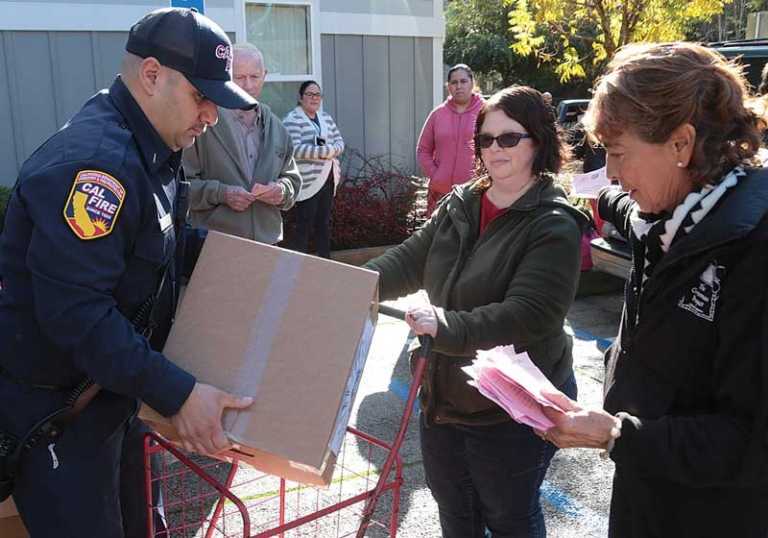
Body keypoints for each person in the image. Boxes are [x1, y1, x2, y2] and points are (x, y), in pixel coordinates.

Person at [0, 8, 255, 537]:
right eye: (201, 96)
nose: (211, 114)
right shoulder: (95, 165)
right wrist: (179, 394)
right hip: (60, 419)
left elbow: (160, 247)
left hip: (114, 396)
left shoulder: (155, 151)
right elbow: (76, 314)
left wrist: (255, 272)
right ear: (152, 75)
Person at [539, 42, 768, 537]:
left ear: (682, 144)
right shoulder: (668, 213)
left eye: (619, 154)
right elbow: (614, 200)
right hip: (649, 492)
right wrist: (581, 196)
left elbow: (748, 440)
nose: (615, 172)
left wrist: (619, 434)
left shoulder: (751, 248)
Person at [365, 86, 588, 537]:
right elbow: (409, 259)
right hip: (444, 398)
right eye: (486, 139)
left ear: (539, 142)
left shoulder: (554, 222)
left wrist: (445, 325)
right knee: (455, 512)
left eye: (509, 138)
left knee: (509, 518)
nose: (494, 149)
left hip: (510, 409)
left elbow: (529, 314)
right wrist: (353, 283)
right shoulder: (463, 201)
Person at [183, 43, 301, 246]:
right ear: (226, 77)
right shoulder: (202, 125)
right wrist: (222, 194)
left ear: (264, 75)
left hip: (268, 244)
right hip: (216, 244)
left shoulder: (278, 129)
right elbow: (180, 188)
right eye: (239, 77)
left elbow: (292, 180)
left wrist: (282, 191)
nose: (248, 85)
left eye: (254, 77)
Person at [283, 80, 345, 258]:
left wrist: (331, 150)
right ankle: (296, 266)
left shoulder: (325, 118)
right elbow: (294, 149)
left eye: (317, 94)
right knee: (304, 223)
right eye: (309, 94)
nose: (314, 98)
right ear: (301, 98)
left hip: (327, 178)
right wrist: (325, 152)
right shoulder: (293, 120)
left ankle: (325, 262)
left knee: (324, 223)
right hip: (306, 181)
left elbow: (340, 142)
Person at [417, 64, 484, 214]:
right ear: (448, 87)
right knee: (438, 235)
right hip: (440, 192)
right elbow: (423, 150)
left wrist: (482, 179)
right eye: (454, 82)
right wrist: (436, 175)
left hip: (474, 192)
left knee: (471, 236)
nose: (458, 86)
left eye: (463, 81)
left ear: (472, 83)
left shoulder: (485, 112)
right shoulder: (437, 114)